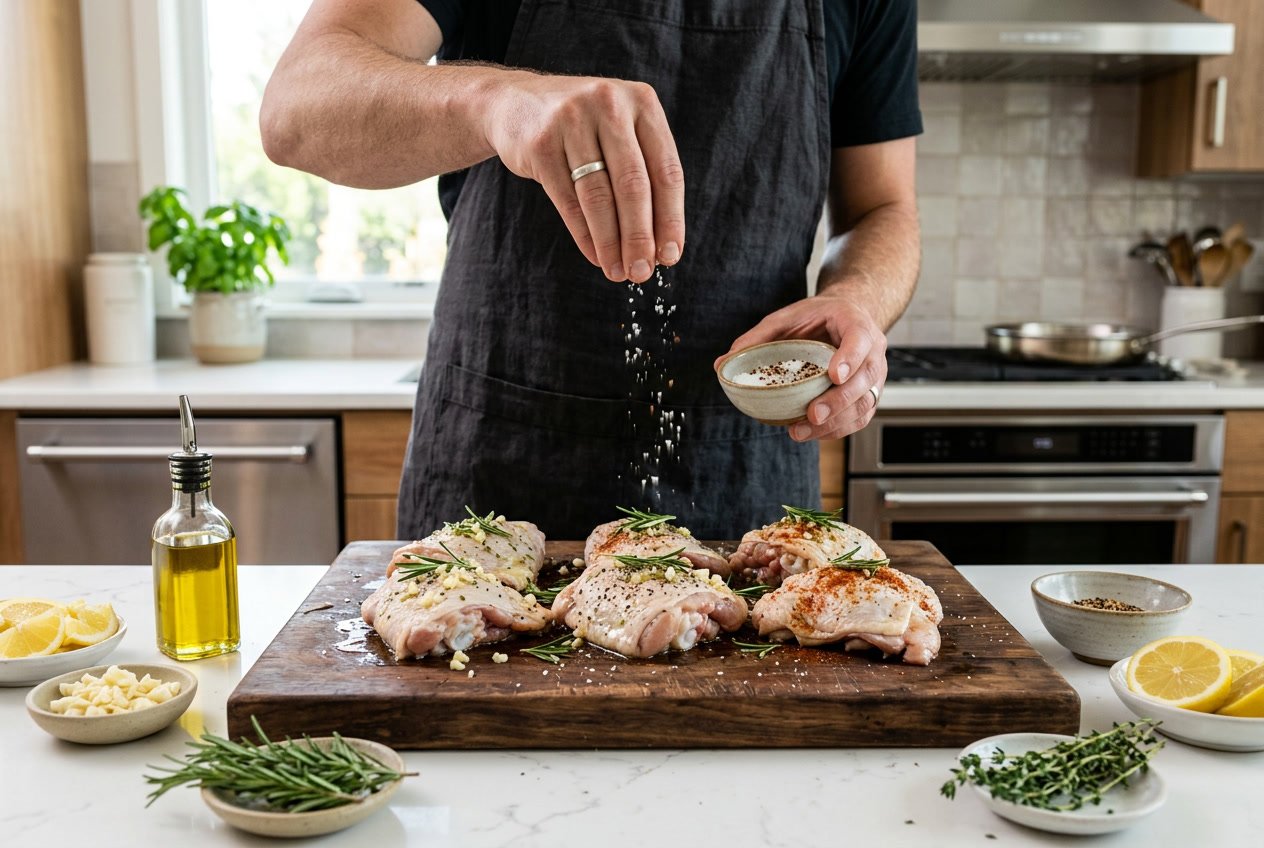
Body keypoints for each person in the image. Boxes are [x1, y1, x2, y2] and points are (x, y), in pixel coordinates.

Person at [262, 0, 922, 540]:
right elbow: (295, 108)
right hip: (499, 466)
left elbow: (884, 208)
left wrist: (858, 297)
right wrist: (495, 100)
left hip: (744, 470)